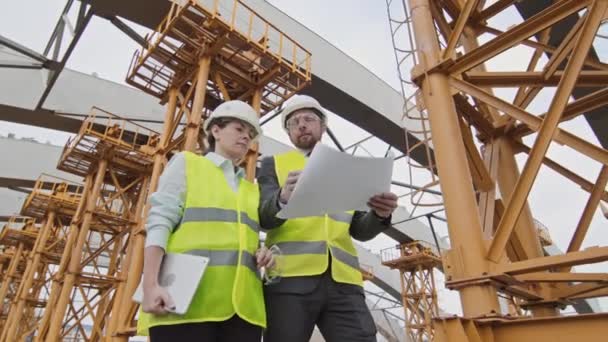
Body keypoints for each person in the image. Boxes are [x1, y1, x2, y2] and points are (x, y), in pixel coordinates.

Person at [258, 95, 399, 342]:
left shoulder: (348, 169)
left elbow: (358, 230)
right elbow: (264, 217)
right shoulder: (272, 165)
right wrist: (282, 197)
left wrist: (380, 215)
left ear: (323, 126)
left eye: (309, 119)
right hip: (289, 280)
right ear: (288, 133)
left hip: (344, 283)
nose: (301, 125)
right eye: (293, 122)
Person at [138, 100, 275, 342]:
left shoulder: (250, 190)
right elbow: (160, 222)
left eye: (251, 134)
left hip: (242, 313)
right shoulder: (187, 164)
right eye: (239, 129)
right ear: (216, 131)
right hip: (186, 305)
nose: (246, 137)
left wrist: (262, 254)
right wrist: (150, 285)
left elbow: (241, 241)